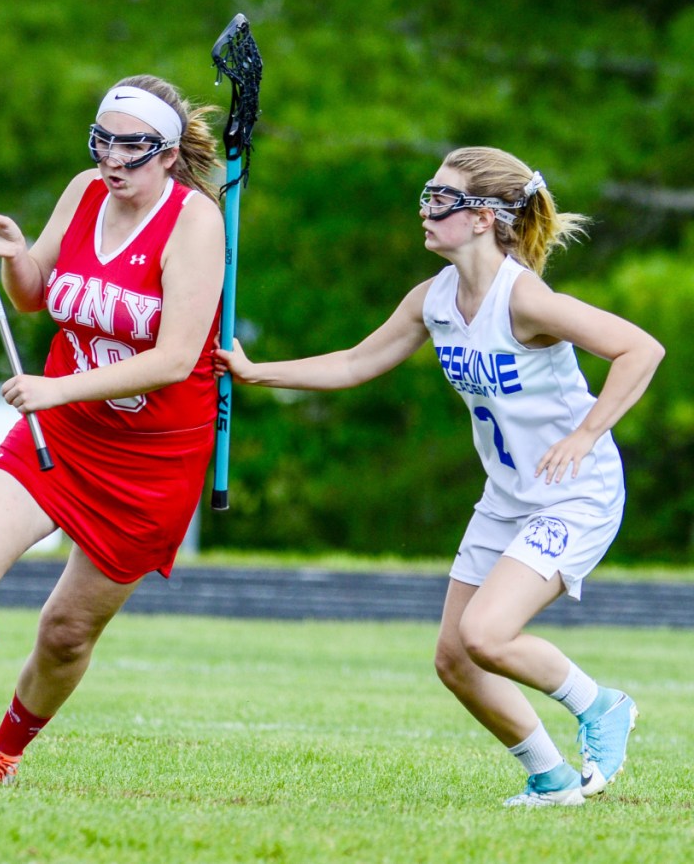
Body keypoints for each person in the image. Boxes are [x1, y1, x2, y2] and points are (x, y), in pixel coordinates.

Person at [215, 146, 664, 807]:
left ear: (483, 218)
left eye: (442, 200)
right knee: (455, 658)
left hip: (575, 496)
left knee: (486, 634)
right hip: (508, 498)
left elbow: (640, 348)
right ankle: (552, 780)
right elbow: (353, 364)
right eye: (427, 196)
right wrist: (259, 371)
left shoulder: (526, 300)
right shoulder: (435, 300)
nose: (426, 212)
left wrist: (586, 433)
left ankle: (603, 707)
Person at [0, 75, 225, 785]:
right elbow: (39, 294)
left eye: (133, 147)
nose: (113, 159)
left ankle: (0, 757)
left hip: (150, 463)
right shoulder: (84, 191)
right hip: (61, 437)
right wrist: (14, 253)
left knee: (67, 633)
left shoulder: (194, 222)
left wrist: (56, 387)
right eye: (104, 141)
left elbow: (173, 360)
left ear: (167, 154)